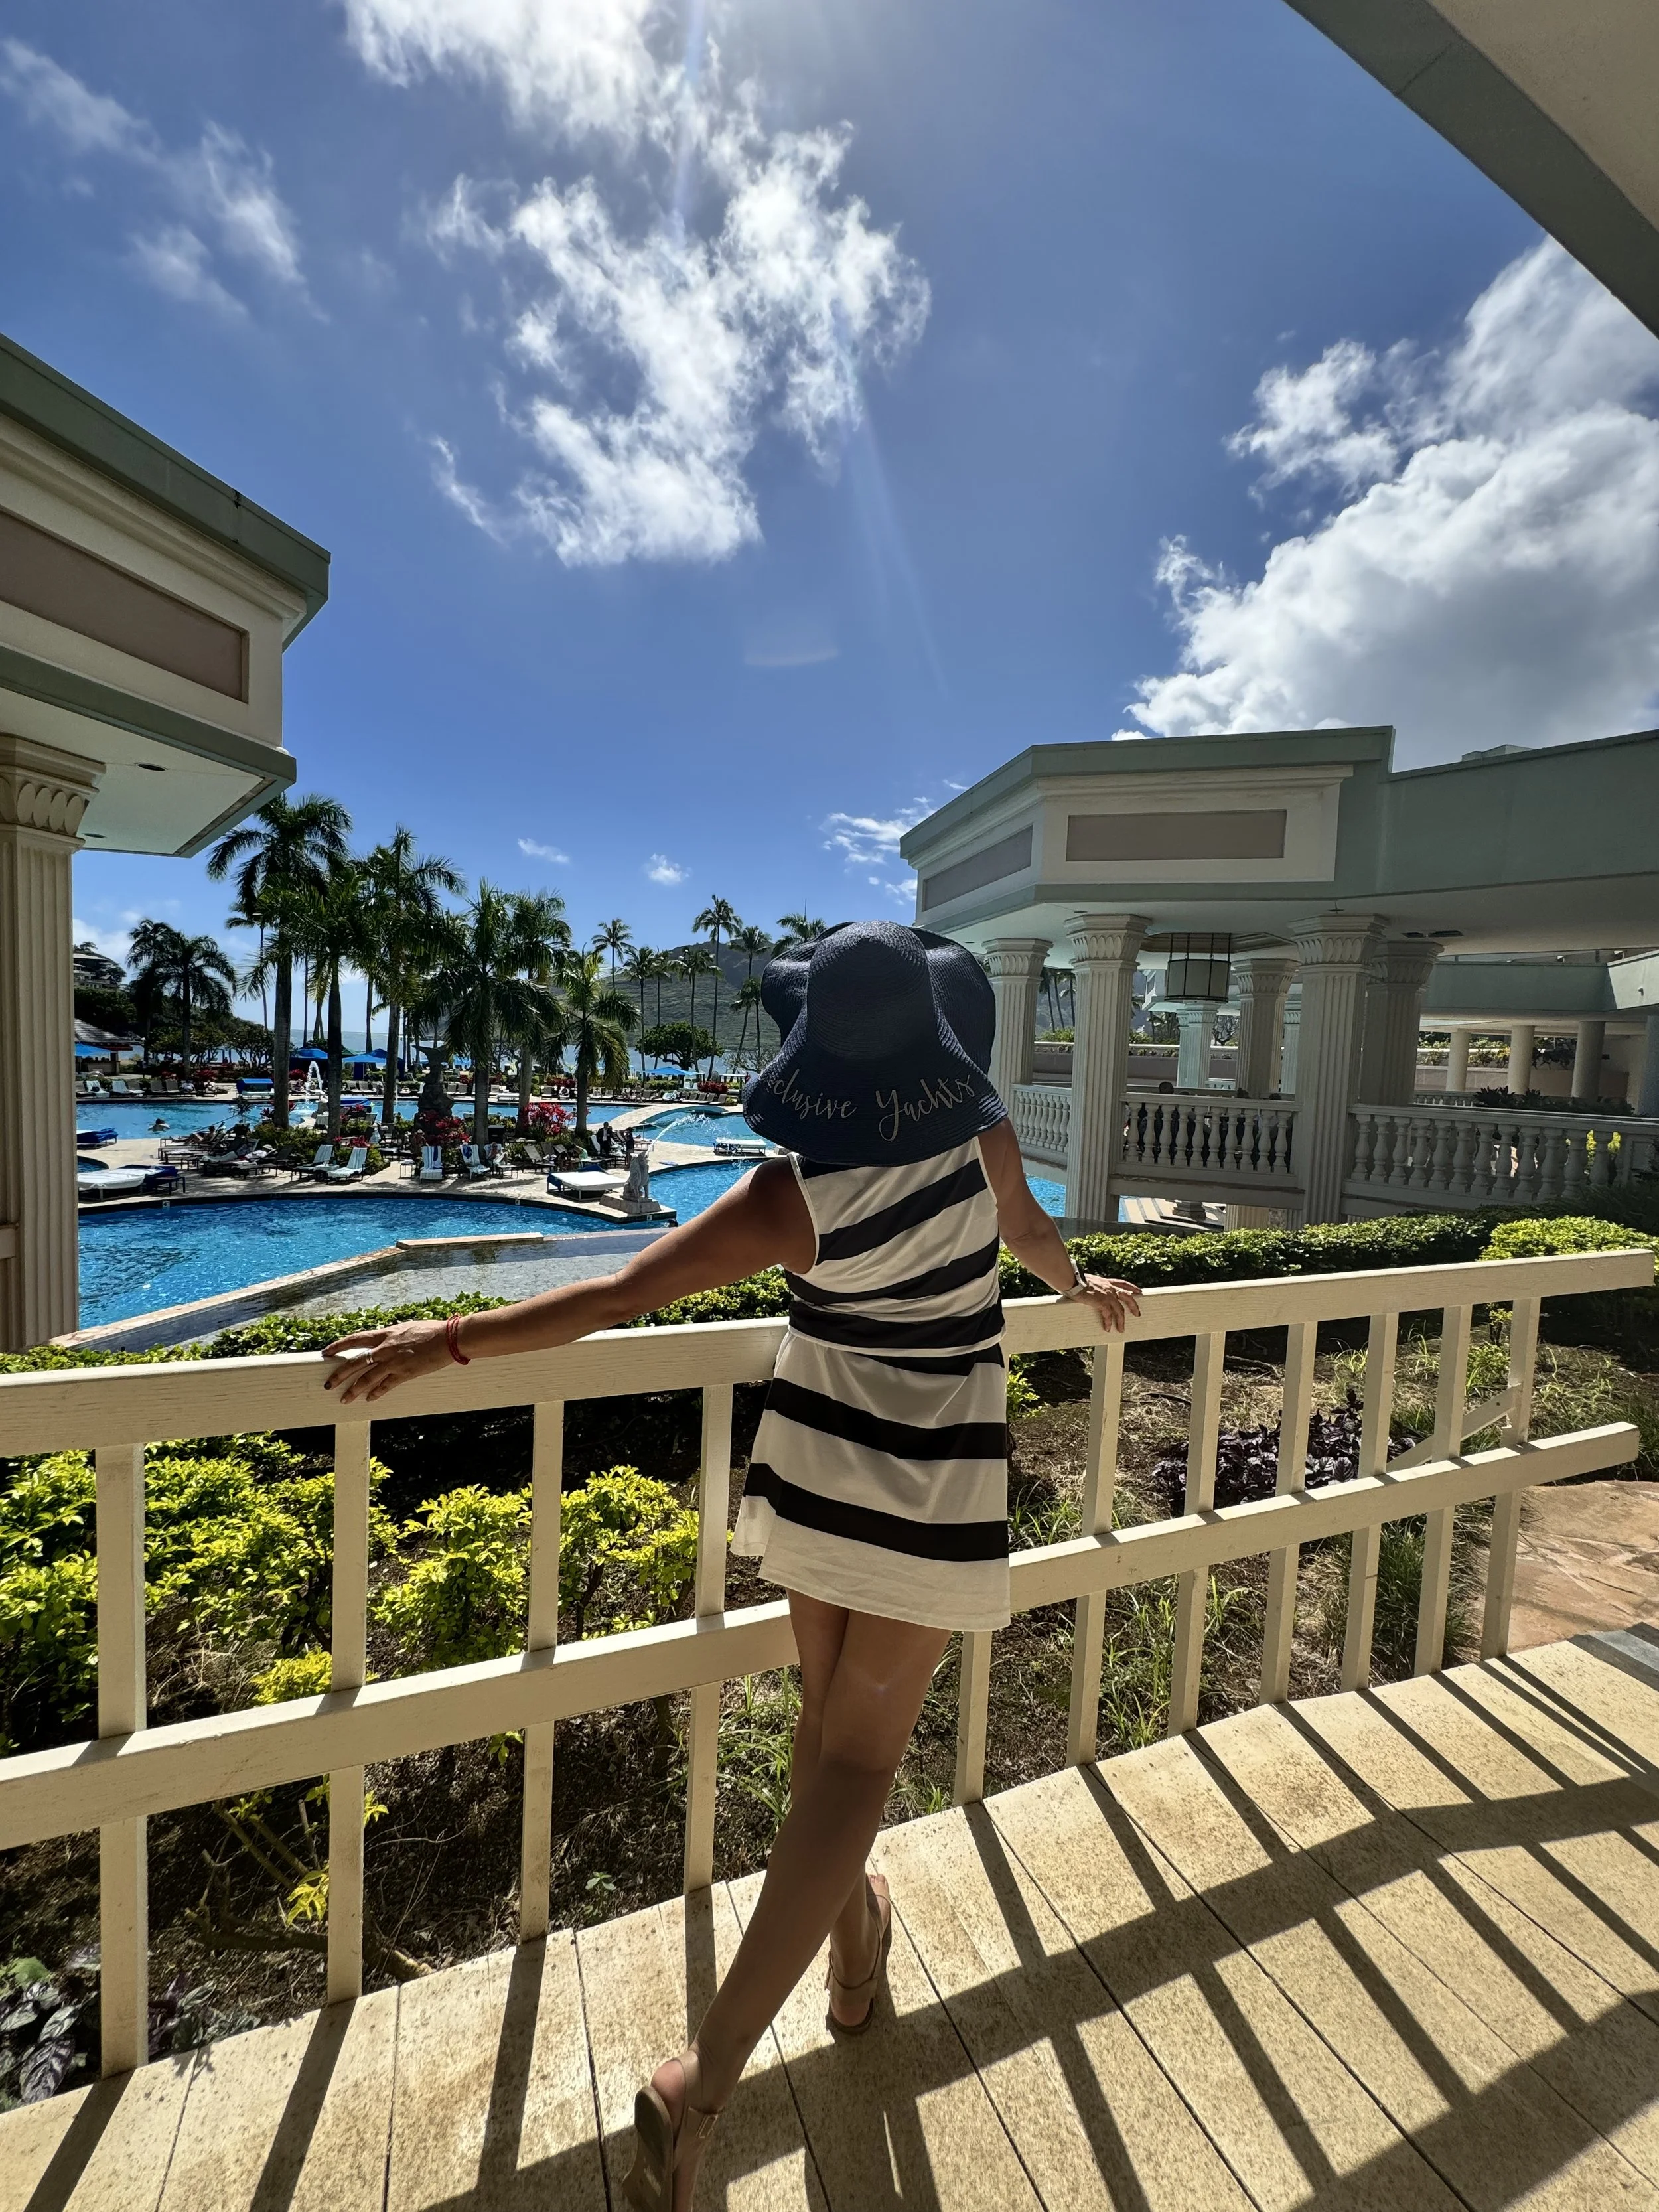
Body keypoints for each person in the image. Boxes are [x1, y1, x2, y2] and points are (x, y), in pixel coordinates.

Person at [323, 920, 1139, 2212]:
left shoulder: (786, 1191)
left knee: (829, 1748)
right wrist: (1083, 1284)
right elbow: (1029, 1232)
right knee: (858, 1765)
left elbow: (610, 1298)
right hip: (925, 1487)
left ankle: (856, 1939)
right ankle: (704, 2078)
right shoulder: (979, 1150)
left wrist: (444, 1341)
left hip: (813, 1472)